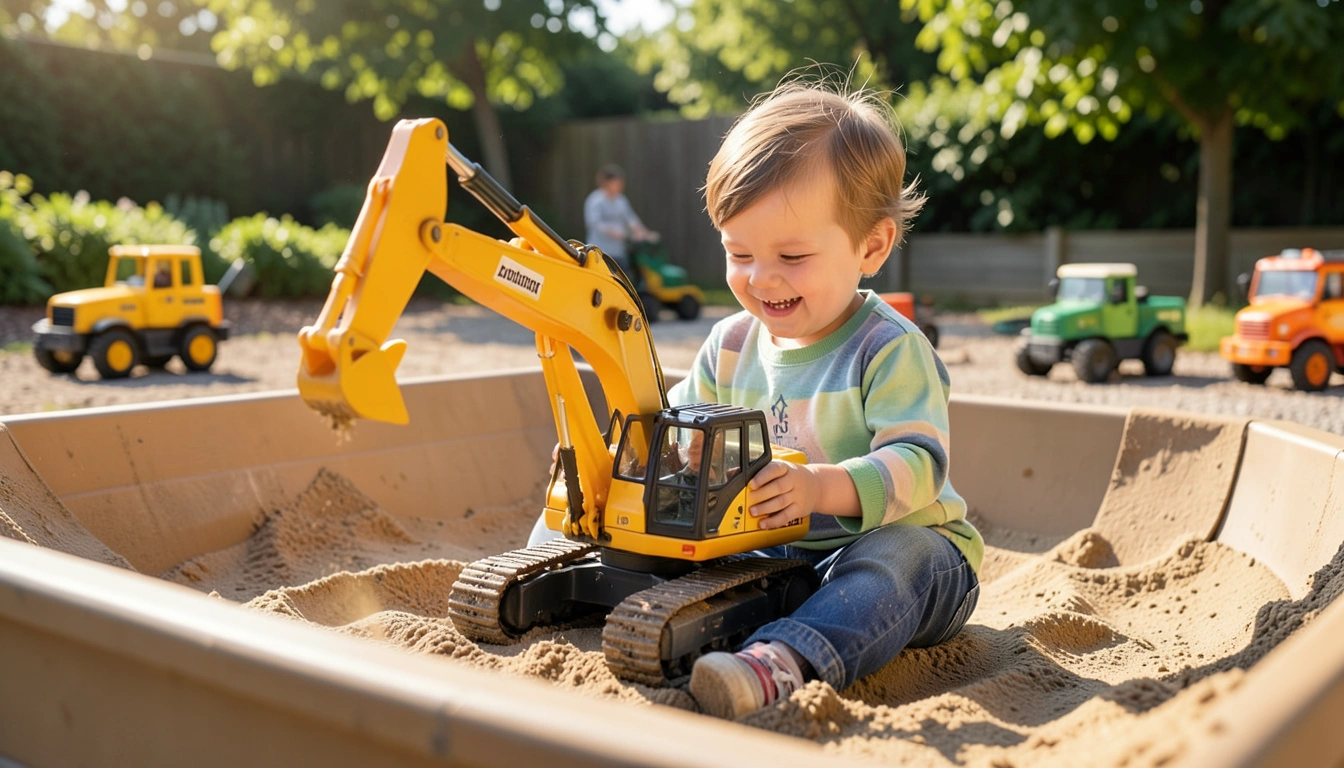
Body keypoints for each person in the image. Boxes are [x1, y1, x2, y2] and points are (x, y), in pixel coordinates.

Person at [531, 82, 983, 722]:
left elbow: (919, 464)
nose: (761, 277)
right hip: (765, 556)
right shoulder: (731, 344)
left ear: (871, 248)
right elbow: (676, 430)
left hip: (895, 553)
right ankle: (550, 567)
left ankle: (783, 662)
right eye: (738, 253)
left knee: (897, 561)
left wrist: (820, 488)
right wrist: (616, 463)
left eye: (792, 256)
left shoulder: (887, 349)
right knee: (613, 499)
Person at [583, 164, 657, 278]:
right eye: (617, 183)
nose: (620, 186)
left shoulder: (621, 200)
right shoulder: (595, 200)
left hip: (618, 252)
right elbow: (595, 224)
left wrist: (645, 233)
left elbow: (631, 220)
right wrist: (618, 234)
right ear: (606, 183)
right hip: (600, 252)